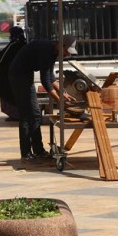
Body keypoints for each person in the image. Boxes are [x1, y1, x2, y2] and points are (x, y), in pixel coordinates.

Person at [8, 35, 77, 163]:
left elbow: (50, 76)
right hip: (18, 76)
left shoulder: (52, 52)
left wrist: (63, 93)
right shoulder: (46, 50)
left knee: (34, 115)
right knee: (27, 115)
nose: (67, 54)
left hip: (25, 76)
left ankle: (38, 151)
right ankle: (26, 153)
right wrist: (58, 100)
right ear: (60, 45)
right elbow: (45, 81)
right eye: (67, 51)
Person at [0, 26, 27, 120]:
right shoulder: (24, 44)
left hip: (8, 75)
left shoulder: (13, 45)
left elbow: (1, 59)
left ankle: (15, 115)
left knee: (9, 94)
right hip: (20, 75)